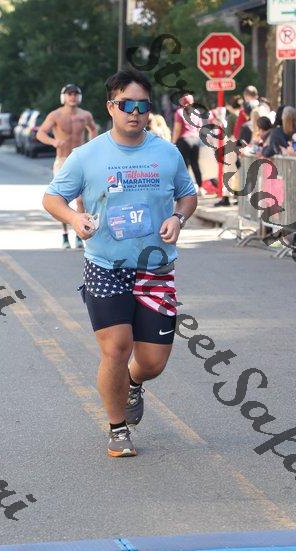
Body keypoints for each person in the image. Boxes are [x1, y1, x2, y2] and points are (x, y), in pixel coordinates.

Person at [42, 68, 197, 457]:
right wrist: (74, 218)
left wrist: (178, 218)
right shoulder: (87, 156)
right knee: (116, 347)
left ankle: (133, 383)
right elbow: (52, 198)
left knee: (152, 362)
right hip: (105, 266)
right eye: (127, 105)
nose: (135, 113)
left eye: (142, 106)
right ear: (111, 107)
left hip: (155, 268)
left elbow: (188, 195)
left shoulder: (167, 153)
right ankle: (117, 429)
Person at [36, 84, 98, 249]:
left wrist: (91, 145)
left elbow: (93, 130)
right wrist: (53, 141)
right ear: (64, 97)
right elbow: (40, 133)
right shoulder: (56, 115)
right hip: (63, 160)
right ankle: (64, 235)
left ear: (79, 97)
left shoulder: (85, 115)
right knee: (61, 199)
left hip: (82, 161)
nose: (73, 97)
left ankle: (79, 233)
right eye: (69, 94)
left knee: (81, 199)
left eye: (75, 94)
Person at [171, 94, 203, 193]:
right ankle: (201, 187)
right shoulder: (197, 112)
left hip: (184, 140)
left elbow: (177, 129)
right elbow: (200, 128)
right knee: (195, 164)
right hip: (195, 140)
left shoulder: (179, 112)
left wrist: (173, 142)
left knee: (183, 165)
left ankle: (185, 188)